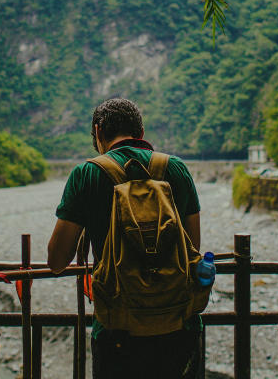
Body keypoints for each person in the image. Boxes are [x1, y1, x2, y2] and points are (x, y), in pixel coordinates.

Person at [47, 97, 202, 379]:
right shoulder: (176, 169)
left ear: (97, 131)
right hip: (178, 323)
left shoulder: (86, 174)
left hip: (117, 329)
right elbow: (193, 246)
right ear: (140, 133)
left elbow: (57, 260)